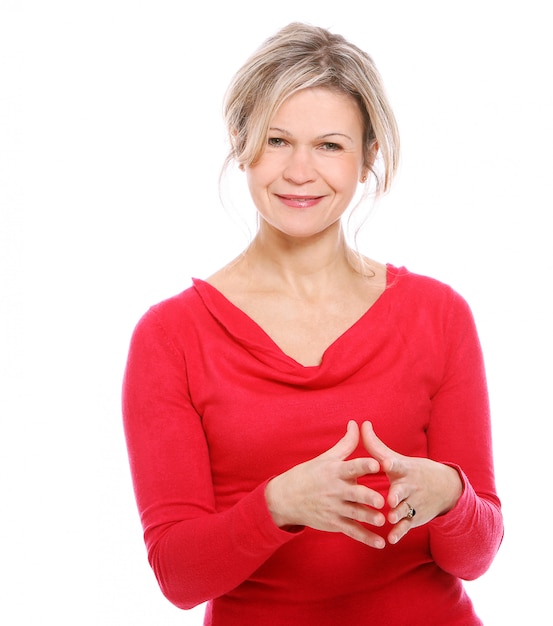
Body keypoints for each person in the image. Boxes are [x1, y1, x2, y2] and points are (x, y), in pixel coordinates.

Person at [122, 22, 503, 626]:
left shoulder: (440, 315)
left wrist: (451, 496)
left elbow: (476, 557)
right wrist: (277, 506)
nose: (300, 171)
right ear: (241, 140)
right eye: (277, 141)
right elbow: (178, 576)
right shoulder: (171, 337)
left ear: (368, 156)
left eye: (329, 145)